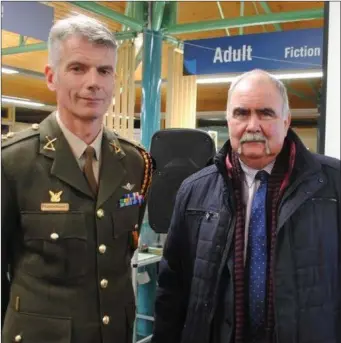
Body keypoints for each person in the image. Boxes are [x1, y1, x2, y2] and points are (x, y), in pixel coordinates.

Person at [151, 69, 341, 343]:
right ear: (228, 120)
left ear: (286, 121)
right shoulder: (194, 191)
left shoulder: (332, 184)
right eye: (241, 113)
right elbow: (172, 290)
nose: (253, 126)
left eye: (266, 113)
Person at [1, 16, 152, 343]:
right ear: (51, 77)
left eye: (104, 71)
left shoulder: (136, 163)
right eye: (78, 68)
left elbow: (123, 253)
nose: (93, 82)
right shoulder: (12, 163)